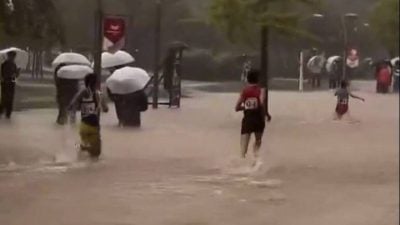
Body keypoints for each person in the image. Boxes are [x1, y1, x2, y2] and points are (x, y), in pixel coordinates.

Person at [68, 73, 108, 159]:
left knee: (85, 146)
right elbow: (106, 109)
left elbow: (72, 104)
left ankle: (77, 149)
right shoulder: (99, 94)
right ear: (96, 83)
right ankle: (79, 148)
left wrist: (73, 117)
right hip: (94, 127)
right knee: (96, 154)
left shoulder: (83, 92)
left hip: (83, 126)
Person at [235, 70, 267, 166]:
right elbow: (261, 103)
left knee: (243, 146)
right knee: (258, 140)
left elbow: (237, 107)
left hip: (247, 119)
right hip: (258, 119)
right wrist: (266, 115)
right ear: (258, 79)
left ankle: (242, 164)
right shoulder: (261, 90)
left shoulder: (244, 91)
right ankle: (255, 160)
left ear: (248, 79)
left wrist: (245, 107)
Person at [0, 51, 20, 119]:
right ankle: (2, 110)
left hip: (11, 82)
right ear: (8, 56)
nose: (13, 58)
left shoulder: (14, 65)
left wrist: (17, 72)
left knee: (10, 97)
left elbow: (15, 75)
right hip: (5, 82)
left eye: (13, 56)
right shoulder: (4, 64)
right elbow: (2, 73)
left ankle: (8, 112)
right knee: (4, 97)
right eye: (11, 56)